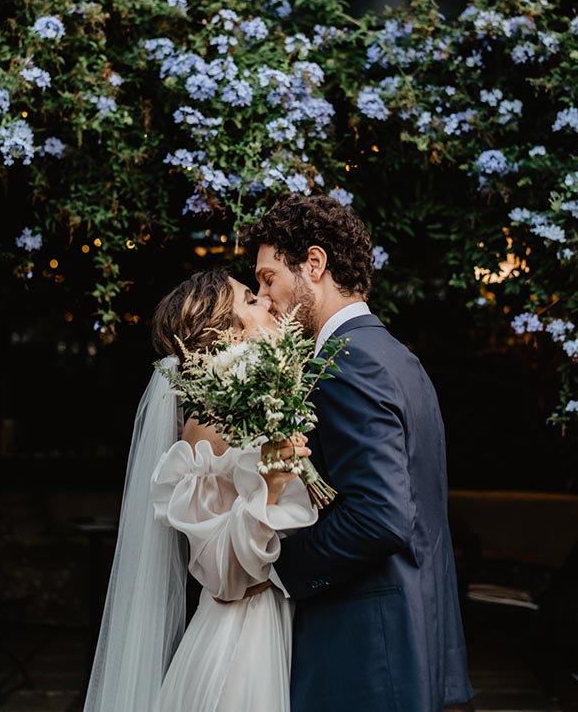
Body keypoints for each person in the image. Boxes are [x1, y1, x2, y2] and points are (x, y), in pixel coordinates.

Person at [241, 193, 475, 712]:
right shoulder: (396, 356)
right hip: (412, 635)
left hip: (366, 652)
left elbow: (380, 516)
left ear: (315, 264)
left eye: (268, 277)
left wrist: (278, 570)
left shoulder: (347, 364)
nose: (264, 295)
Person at [83, 268, 318, 712]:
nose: (267, 302)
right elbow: (223, 575)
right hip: (246, 637)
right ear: (226, 336)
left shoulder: (265, 398)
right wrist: (269, 485)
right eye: (251, 299)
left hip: (289, 619)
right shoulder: (208, 430)